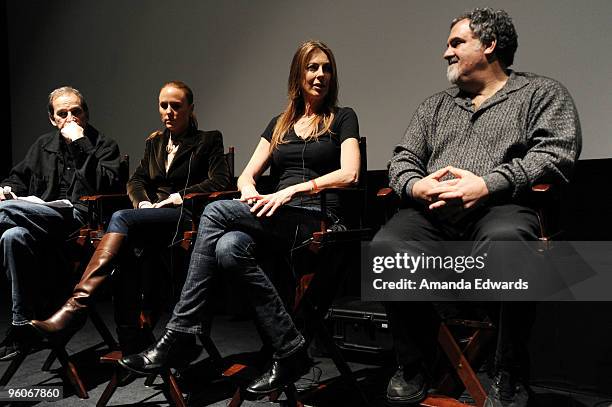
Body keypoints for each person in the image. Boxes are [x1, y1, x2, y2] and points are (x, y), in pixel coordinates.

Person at [119, 40, 360, 395]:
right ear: (298, 74)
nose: (321, 74)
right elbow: (246, 176)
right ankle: (290, 348)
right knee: (229, 247)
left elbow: (350, 173)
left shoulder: (342, 117)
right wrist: (250, 191)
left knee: (215, 210)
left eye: (326, 68)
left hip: (317, 216)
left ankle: (181, 333)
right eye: (312, 67)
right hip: (277, 211)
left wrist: (292, 190)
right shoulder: (279, 124)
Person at [374, 8, 581, 407]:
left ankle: (508, 370)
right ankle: (416, 363)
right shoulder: (434, 107)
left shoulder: (541, 94)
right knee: (386, 247)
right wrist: (416, 186)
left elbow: (556, 154)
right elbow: (402, 159)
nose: (445, 53)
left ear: (489, 45)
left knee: (509, 241)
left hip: (501, 208)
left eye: (456, 43)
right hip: (431, 216)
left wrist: (486, 185)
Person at [30, 81, 231, 355]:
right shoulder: (155, 142)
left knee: (121, 219)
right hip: (151, 216)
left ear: (190, 108)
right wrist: (144, 202)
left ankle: (75, 307)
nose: (169, 112)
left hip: (185, 216)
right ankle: (130, 339)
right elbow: (136, 180)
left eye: (176, 106)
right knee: (124, 254)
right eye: (164, 106)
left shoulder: (208, 139)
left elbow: (219, 180)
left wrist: (176, 197)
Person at [0, 86, 121, 360]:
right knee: (12, 236)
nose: (70, 118)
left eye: (76, 112)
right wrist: (5, 189)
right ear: (53, 119)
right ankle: (21, 327)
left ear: (86, 114)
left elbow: (109, 184)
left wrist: (81, 145)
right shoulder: (43, 145)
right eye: (62, 113)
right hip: (41, 223)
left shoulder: (103, 145)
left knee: (8, 214)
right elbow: (16, 179)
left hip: (78, 226)